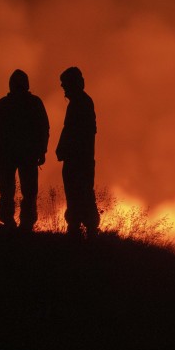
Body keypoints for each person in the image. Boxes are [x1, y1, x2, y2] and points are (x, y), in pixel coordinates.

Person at [0, 69, 49, 231]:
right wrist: (42, 150)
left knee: (8, 191)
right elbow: (43, 128)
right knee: (28, 192)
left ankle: (9, 221)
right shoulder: (34, 103)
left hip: (8, 155)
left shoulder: (3, 105)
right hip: (26, 154)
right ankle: (25, 224)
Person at [57, 66, 99, 237]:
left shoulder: (81, 103)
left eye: (65, 84)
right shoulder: (81, 102)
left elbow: (75, 132)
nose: (63, 88)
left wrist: (65, 149)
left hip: (78, 160)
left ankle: (82, 228)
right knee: (79, 193)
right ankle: (82, 228)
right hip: (80, 159)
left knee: (80, 192)